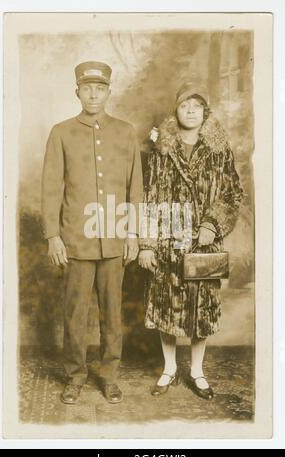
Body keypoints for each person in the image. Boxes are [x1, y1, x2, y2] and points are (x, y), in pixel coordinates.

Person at [41, 61, 143, 404]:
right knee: (75, 313)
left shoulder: (126, 131)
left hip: (114, 235)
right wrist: (52, 235)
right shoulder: (61, 132)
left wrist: (133, 234)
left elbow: (135, 188)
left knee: (112, 314)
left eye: (100, 88)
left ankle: (109, 376)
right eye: (87, 88)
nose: (94, 94)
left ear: (109, 92)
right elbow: (51, 188)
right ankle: (75, 376)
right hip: (75, 239)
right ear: (78, 92)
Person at [138, 83, 243, 399]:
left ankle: (197, 371)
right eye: (185, 105)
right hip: (167, 240)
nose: (191, 110)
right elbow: (147, 195)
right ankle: (168, 369)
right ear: (176, 110)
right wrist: (146, 243)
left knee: (202, 310)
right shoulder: (159, 150)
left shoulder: (219, 150)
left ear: (205, 112)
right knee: (165, 307)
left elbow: (232, 193)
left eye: (197, 105)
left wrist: (213, 223)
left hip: (203, 243)